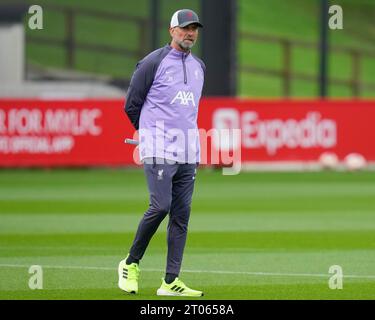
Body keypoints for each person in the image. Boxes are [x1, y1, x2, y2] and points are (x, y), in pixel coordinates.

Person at [118, 9, 205, 297]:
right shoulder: (153, 62)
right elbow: (132, 104)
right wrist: (148, 134)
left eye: (193, 28)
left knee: (181, 216)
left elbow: (188, 113)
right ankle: (130, 264)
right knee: (161, 206)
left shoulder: (199, 67)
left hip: (187, 152)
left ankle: (170, 282)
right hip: (158, 148)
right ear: (172, 31)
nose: (190, 33)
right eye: (184, 28)